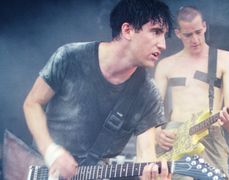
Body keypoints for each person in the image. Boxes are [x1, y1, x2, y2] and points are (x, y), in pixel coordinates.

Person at [22, 0, 173, 179]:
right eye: (156, 31)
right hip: (41, 169)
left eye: (164, 35)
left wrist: (153, 177)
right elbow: (32, 103)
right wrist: (51, 151)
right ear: (127, 30)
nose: (163, 45)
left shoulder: (148, 93)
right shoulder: (70, 57)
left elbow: (146, 155)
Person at [154, 6, 229, 179]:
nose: (195, 39)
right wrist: (157, 133)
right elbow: (151, 112)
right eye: (188, 35)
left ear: (205, 26)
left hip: (210, 134)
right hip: (175, 136)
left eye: (198, 32)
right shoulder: (165, 65)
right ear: (178, 33)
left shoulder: (226, 59)